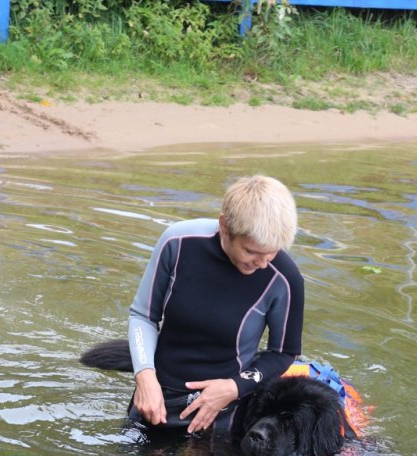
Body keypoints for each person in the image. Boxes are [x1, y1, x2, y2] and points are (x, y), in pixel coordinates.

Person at [127, 174, 304, 434]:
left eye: (272, 253)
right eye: (251, 252)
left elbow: (284, 353)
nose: (263, 264)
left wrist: (234, 387)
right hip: (156, 396)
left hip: (224, 408)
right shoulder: (177, 243)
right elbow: (143, 316)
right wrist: (144, 377)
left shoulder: (285, 278)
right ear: (224, 226)